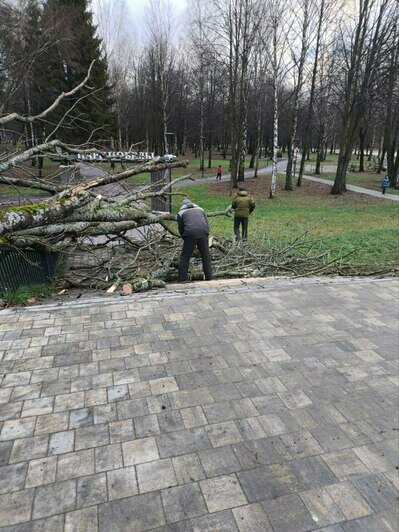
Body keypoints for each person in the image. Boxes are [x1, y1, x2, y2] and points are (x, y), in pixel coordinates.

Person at [177, 198, 212, 282]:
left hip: (190, 233)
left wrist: (184, 237)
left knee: (185, 256)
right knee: (205, 255)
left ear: (183, 205)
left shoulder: (180, 213)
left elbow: (181, 228)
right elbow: (206, 223)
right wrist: (206, 234)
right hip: (203, 232)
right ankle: (209, 277)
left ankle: (182, 278)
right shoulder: (201, 210)